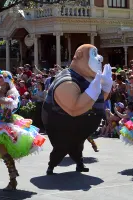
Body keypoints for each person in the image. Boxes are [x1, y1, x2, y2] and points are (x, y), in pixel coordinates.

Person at [42, 44, 113, 175]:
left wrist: (106, 87)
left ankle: (79, 164)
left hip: (78, 122)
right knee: (61, 147)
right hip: (60, 122)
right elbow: (73, 108)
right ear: (79, 56)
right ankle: (51, 166)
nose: (100, 58)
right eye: (94, 54)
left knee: (78, 144)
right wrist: (93, 90)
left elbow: (96, 100)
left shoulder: (88, 79)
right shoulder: (67, 81)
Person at [0, 69, 46, 191]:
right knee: (0, 148)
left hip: (7, 123)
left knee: (2, 148)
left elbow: (9, 101)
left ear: (7, 79)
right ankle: (12, 173)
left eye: (1, 77)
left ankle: (12, 177)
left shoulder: (12, 91)